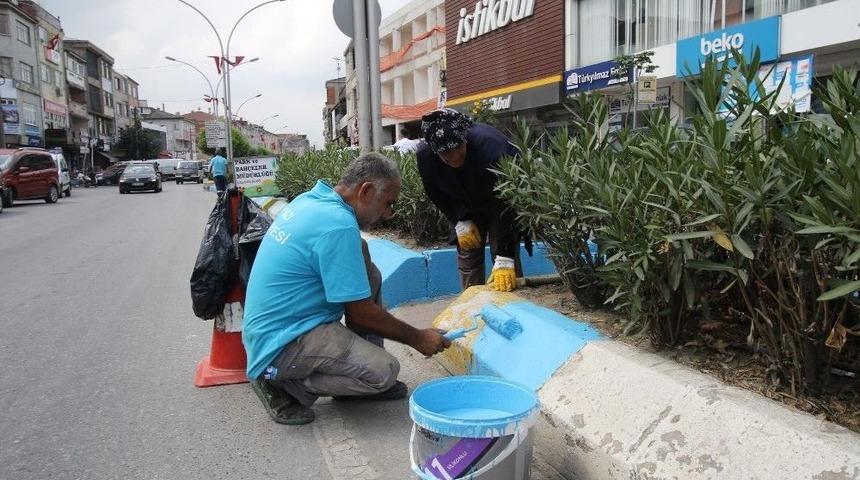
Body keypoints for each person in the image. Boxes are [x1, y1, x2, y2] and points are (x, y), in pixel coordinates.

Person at [242, 153, 451, 425]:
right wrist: (418, 338)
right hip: (281, 343)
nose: (389, 213)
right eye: (388, 202)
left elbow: (360, 303)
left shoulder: (314, 199)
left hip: (282, 325)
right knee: (385, 372)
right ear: (366, 192)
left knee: (366, 264)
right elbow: (361, 313)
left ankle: (351, 371)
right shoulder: (337, 226)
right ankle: (281, 384)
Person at [417, 108, 527, 292]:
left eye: (458, 148)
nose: (454, 156)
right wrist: (458, 221)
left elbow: (510, 201)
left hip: (500, 203)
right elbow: (435, 193)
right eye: (446, 153)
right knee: (468, 253)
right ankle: (472, 302)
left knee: (503, 259)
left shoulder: (492, 148)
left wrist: (505, 255)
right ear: (435, 152)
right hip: (464, 204)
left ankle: (513, 303)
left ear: (465, 138)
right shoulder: (426, 157)